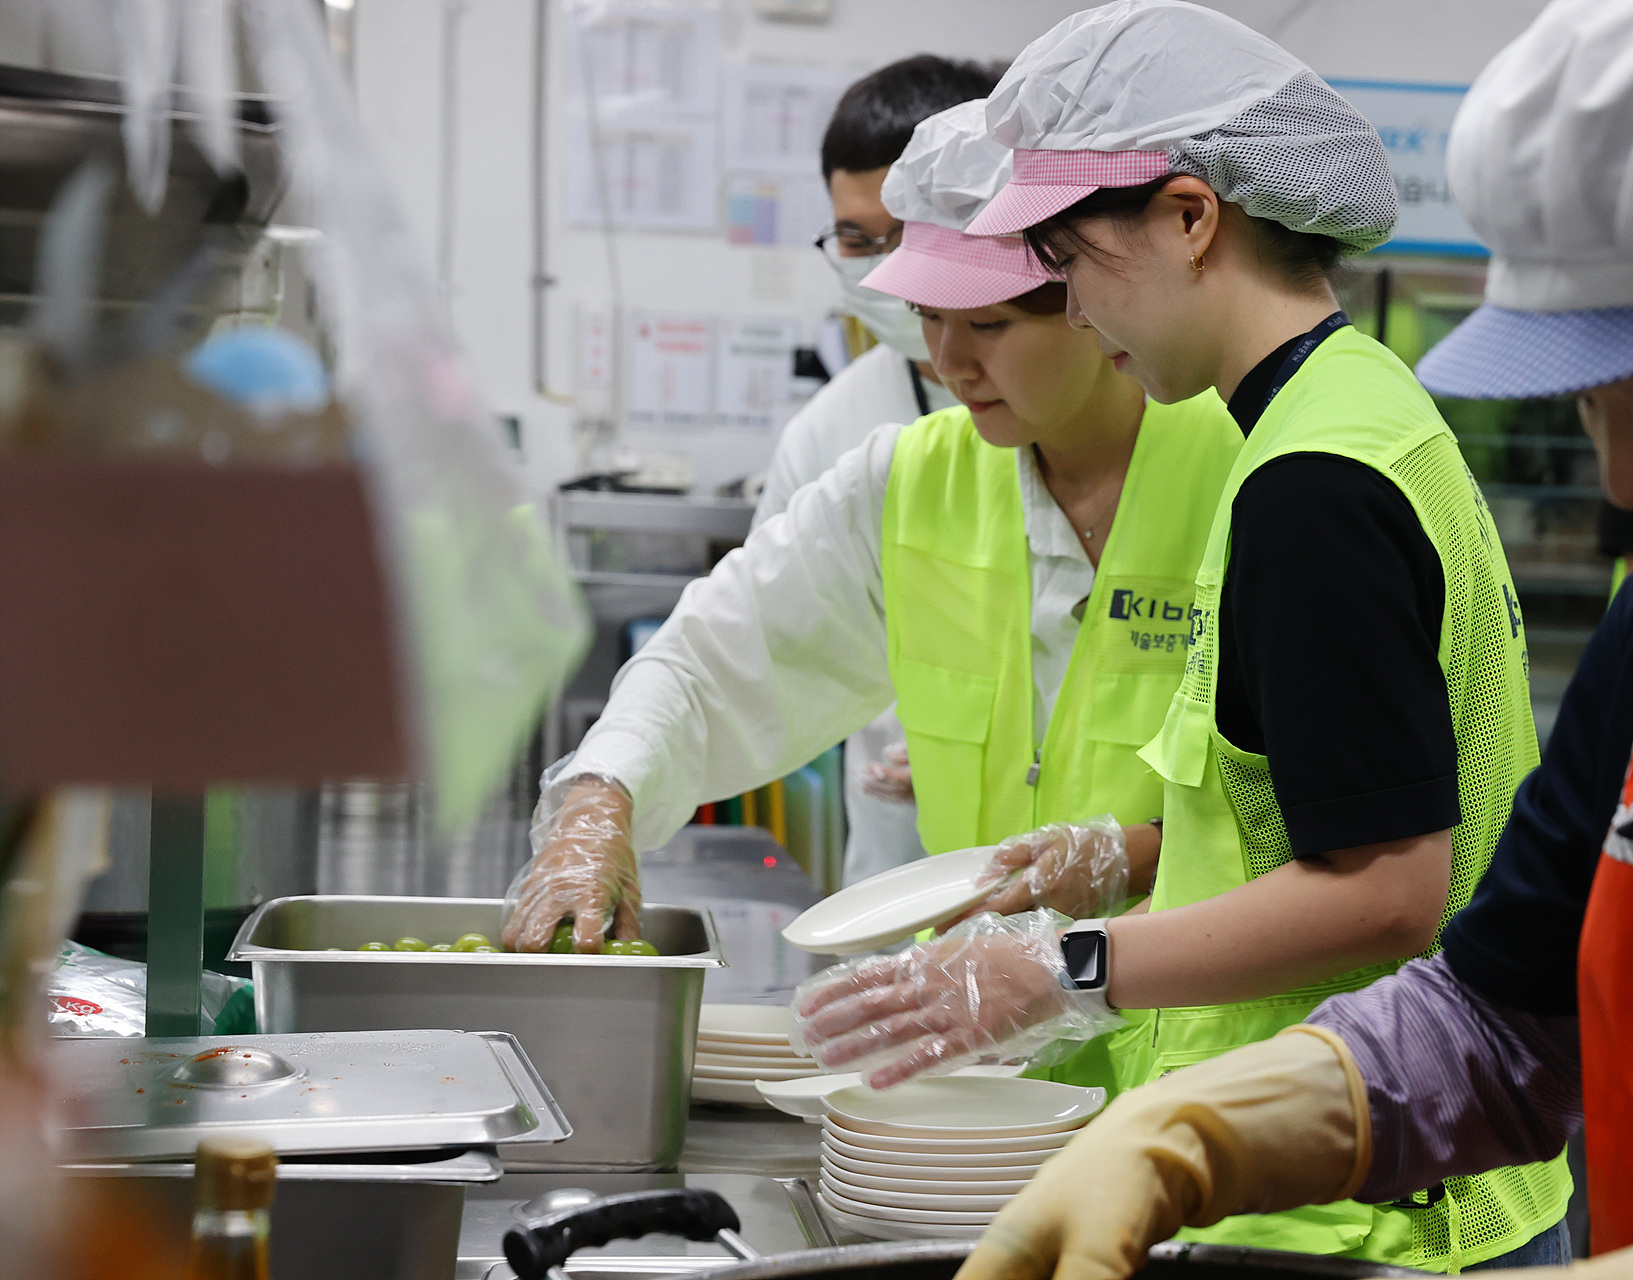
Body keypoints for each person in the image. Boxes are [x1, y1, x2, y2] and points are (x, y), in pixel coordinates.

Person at [944, 1, 1633, 1278]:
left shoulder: (1322, 472)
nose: (1625, 482)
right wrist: (1208, 1128)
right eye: (1591, 407)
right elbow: (1505, 1017)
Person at [793, 3, 1569, 1270]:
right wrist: (1128, 859)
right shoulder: (1350, 408)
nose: (1068, 305)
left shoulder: (1312, 483)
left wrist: (1065, 966)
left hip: (1369, 1206)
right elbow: (1315, 806)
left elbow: (1386, 890)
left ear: (1192, 217)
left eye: (1066, 257)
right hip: (1356, 1174)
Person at [501, 102, 1244, 973]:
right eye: (929, 317)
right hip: (984, 1025)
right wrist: (601, 796)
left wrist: (1135, 861)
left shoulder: (1246, 471)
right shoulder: (908, 484)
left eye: (990, 325)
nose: (950, 362)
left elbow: (1334, 822)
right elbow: (711, 663)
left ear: (1090, 302)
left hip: (1210, 1033)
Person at [754, 55, 996, 886]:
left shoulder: (1122, 396)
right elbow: (768, 646)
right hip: (896, 882)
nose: (884, 267)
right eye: (856, 240)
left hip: (1104, 903)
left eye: (904, 234)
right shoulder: (828, 432)